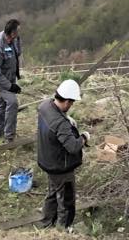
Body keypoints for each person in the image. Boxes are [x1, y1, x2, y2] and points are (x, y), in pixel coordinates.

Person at [37, 79, 89, 230]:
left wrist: (66, 119)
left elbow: (55, 121)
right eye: (71, 103)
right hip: (61, 167)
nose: (71, 106)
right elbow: (73, 147)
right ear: (66, 101)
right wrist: (84, 137)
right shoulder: (60, 124)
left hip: (47, 161)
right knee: (66, 200)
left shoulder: (45, 106)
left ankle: (46, 223)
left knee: (52, 194)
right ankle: (63, 229)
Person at [0, 18, 23, 145]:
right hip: (0, 80)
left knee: (3, 103)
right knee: (12, 103)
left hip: (10, 76)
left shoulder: (14, 40)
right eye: (17, 31)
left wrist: (15, 78)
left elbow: (17, 52)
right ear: (12, 32)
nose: (19, 34)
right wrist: (10, 86)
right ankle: (9, 137)